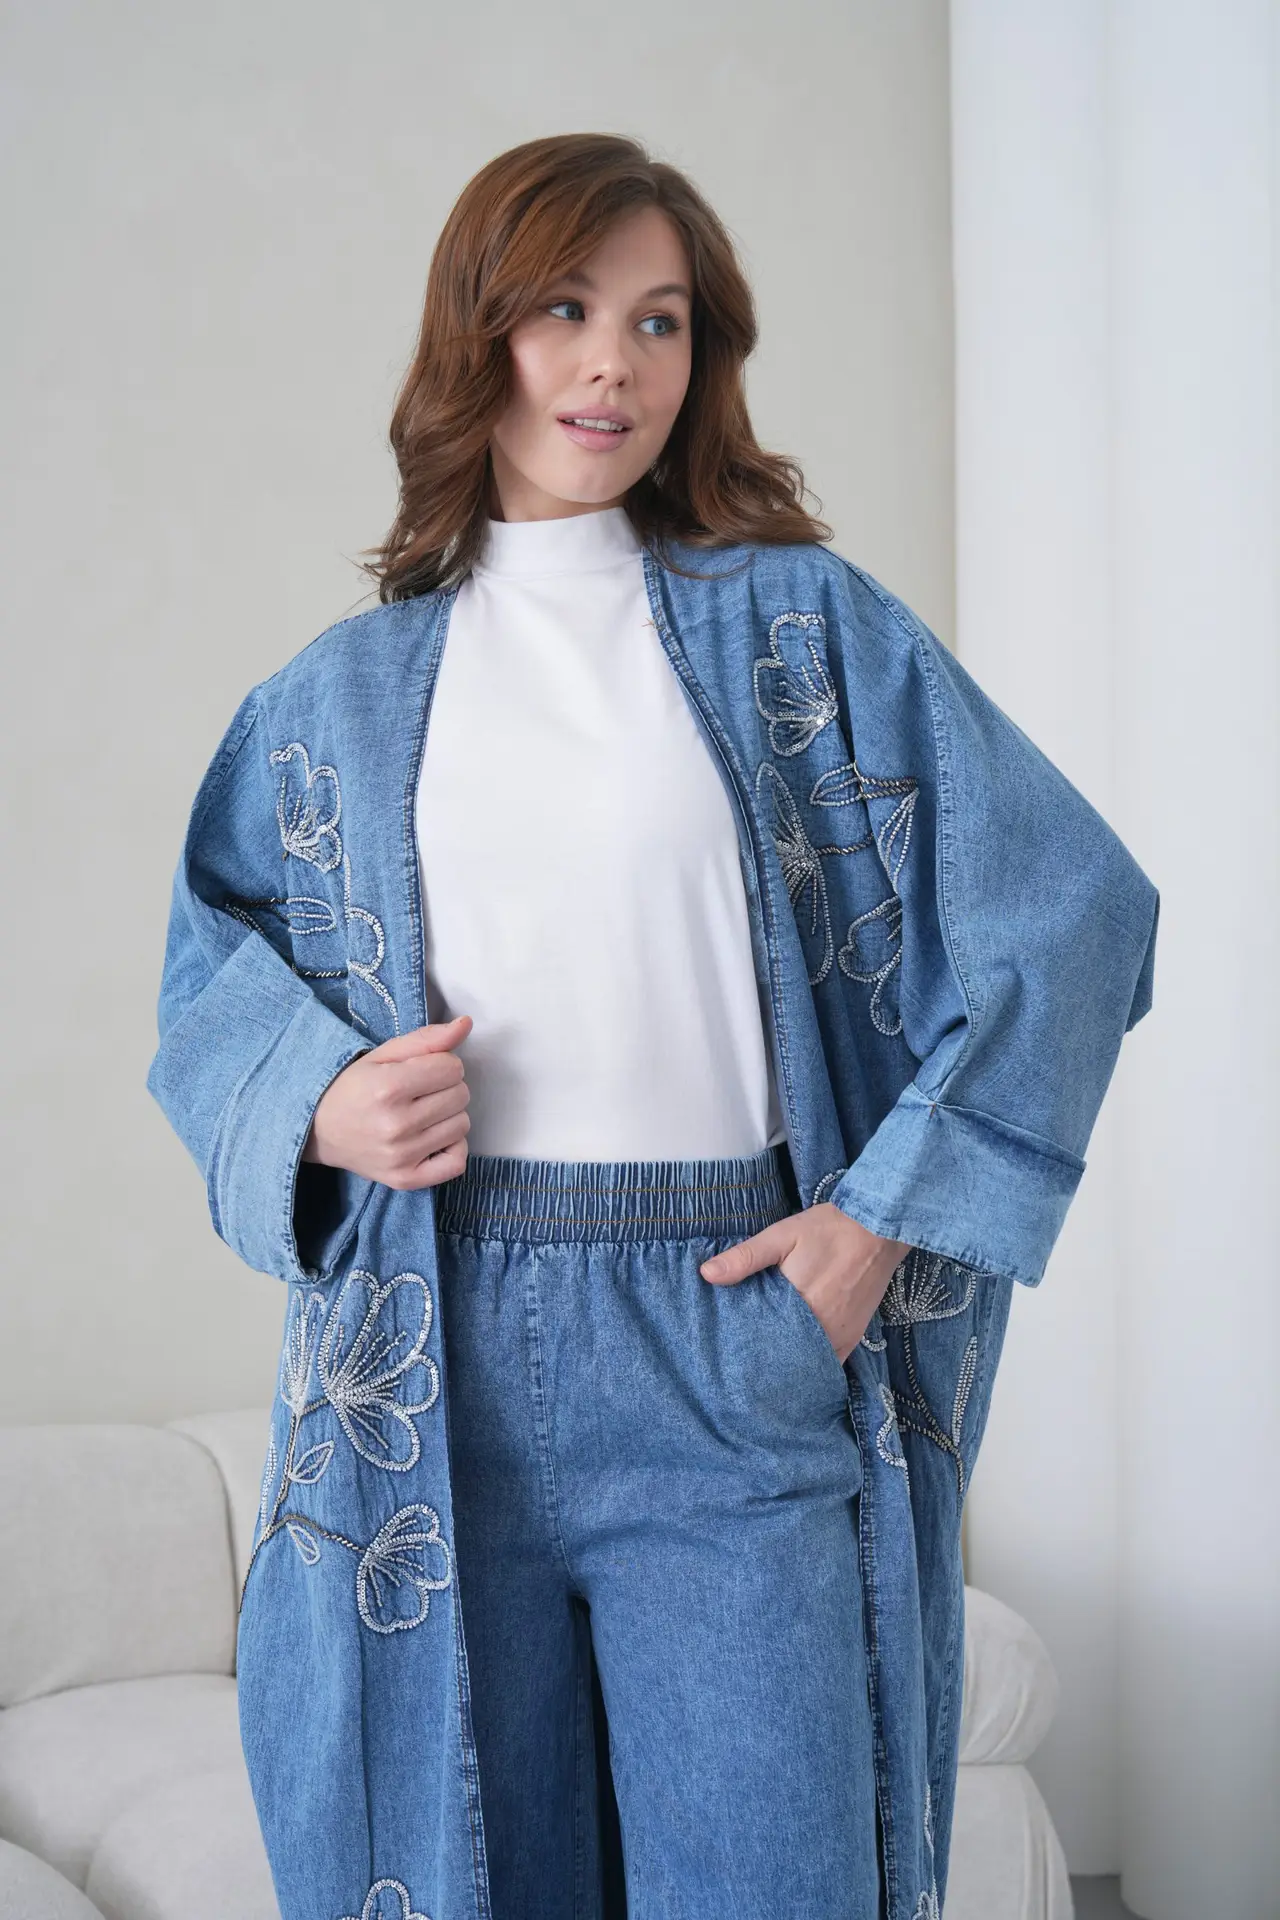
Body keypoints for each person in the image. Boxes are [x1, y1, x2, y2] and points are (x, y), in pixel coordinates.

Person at [146, 133, 1159, 1920]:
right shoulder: (338, 697)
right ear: (479, 332)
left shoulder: (802, 628)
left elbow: (1072, 908)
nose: (614, 363)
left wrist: (874, 1221)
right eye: (565, 308)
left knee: (778, 1879)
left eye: (660, 320)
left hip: (729, 1325)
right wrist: (321, 1102)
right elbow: (206, 972)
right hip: (434, 1350)